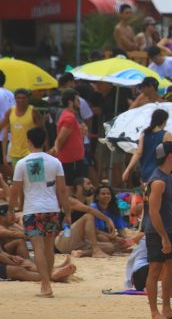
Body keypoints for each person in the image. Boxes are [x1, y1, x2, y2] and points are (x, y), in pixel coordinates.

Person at [9, 126, 71, 297]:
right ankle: (48, 281)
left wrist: (11, 209)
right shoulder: (55, 162)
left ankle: (45, 284)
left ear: (29, 141)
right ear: (44, 142)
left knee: (37, 248)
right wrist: (68, 212)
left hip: (32, 209)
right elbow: (62, 190)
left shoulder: (22, 163)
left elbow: (15, 191)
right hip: (52, 208)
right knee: (49, 247)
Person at [144, 141, 172, 319]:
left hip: (168, 229)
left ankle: (166, 309)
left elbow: (168, 209)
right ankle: (154, 313)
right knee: (155, 271)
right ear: (170, 156)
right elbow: (153, 212)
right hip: (156, 232)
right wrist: (164, 237)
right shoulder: (159, 181)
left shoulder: (168, 177)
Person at [54, 178, 116, 259]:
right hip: (64, 236)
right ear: (79, 187)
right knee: (89, 216)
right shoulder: (71, 200)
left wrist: (111, 236)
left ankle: (81, 253)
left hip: (77, 241)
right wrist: (107, 219)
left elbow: (91, 230)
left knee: (111, 246)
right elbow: (89, 210)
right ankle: (96, 251)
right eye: (88, 183)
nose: (92, 186)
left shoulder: (86, 203)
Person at [123, 109, 172, 184]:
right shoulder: (166, 135)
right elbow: (170, 155)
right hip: (159, 172)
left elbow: (138, 153)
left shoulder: (144, 134)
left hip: (145, 172)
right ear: (164, 121)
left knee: (147, 194)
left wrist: (127, 169)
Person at [50, 89, 85, 189]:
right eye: (77, 100)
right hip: (71, 161)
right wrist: (55, 152)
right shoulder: (69, 117)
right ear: (70, 102)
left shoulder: (69, 116)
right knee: (70, 188)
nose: (79, 103)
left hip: (72, 160)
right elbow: (61, 139)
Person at [0, 88, 41, 167]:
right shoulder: (10, 112)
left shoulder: (33, 111)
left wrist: (46, 149)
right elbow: (1, 126)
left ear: (27, 99)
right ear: (15, 99)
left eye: (23, 98)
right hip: (15, 153)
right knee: (18, 178)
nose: (21, 100)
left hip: (31, 152)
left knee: (33, 177)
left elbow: (42, 130)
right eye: (18, 98)